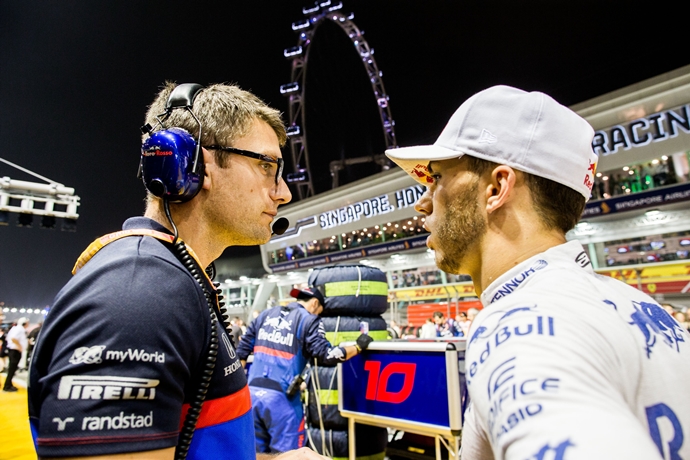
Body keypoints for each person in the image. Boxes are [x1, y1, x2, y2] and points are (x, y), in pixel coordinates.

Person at [385, 85, 690, 458]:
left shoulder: (518, 325)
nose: (423, 202)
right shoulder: (646, 308)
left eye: (436, 178)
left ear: (497, 187)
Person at [28, 82, 328, 460]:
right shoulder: (138, 294)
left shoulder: (171, 281)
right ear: (194, 164)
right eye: (266, 166)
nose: (283, 192)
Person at [236, 287, 372, 454]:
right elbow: (327, 355)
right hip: (282, 402)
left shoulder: (264, 315)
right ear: (315, 303)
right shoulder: (309, 320)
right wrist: (358, 346)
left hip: (251, 397)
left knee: (255, 454)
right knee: (290, 456)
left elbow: (240, 353)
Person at [3, 317, 28, 392]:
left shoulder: (15, 328)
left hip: (12, 350)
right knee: (12, 369)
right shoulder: (20, 329)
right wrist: (19, 347)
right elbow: (13, 338)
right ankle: (7, 386)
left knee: (12, 369)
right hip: (15, 351)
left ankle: (9, 384)